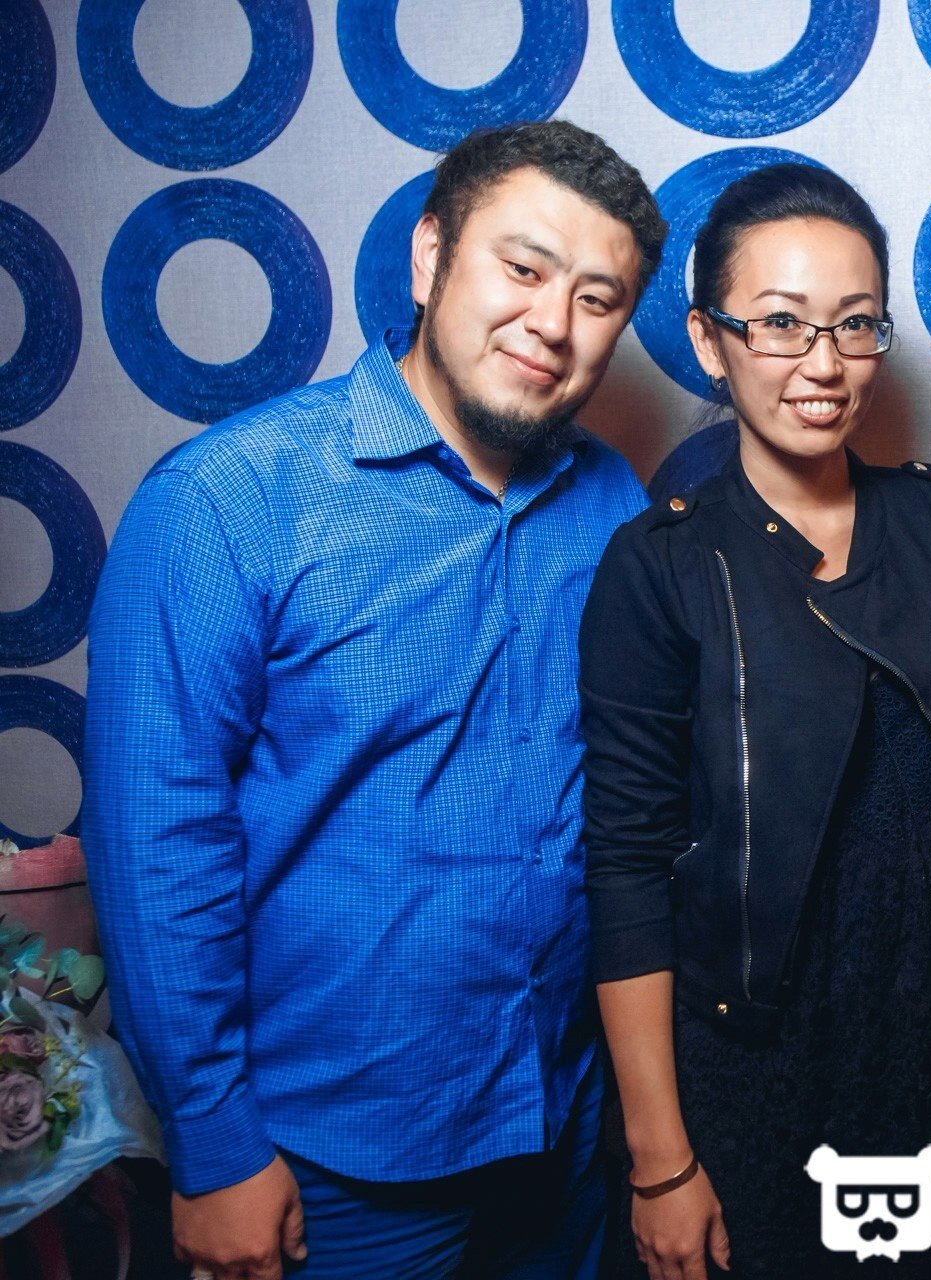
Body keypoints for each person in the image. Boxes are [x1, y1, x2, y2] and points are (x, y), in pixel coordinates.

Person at [83, 120, 667, 1280]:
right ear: (429, 256)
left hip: (558, 1126)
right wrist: (212, 1142)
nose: (553, 322)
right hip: (325, 1165)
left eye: (597, 298)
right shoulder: (226, 499)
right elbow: (156, 840)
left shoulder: (611, 502)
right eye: (523, 267)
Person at [580, 163, 931, 1280]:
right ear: (709, 341)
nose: (824, 362)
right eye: (779, 323)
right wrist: (660, 1157)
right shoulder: (661, 564)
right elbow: (625, 867)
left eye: (855, 323)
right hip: (752, 1062)